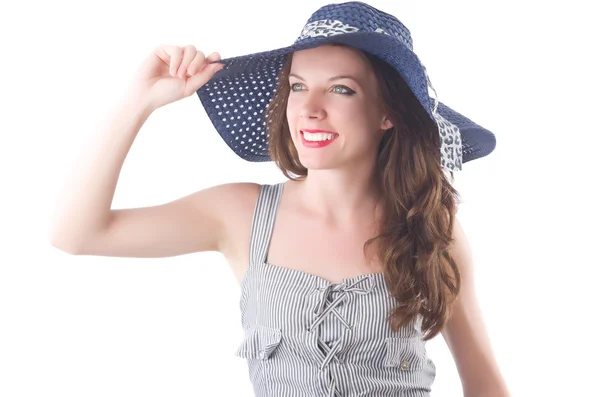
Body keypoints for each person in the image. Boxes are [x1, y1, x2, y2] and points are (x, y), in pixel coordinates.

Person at [49, 1, 510, 396]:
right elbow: (77, 233)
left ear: (387, 113)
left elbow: (485, 382)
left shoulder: (430, 226)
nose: (310, 107)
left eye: (341, 89)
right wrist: (138, 101)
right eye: (297, 86)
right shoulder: (239, 215)